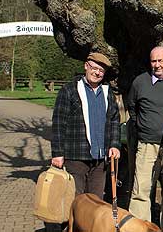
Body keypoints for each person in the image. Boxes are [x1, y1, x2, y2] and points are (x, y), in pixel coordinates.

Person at [48, 52, 120, 232]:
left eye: (101, 71)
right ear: (86, 66)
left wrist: (114, 144)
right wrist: (57, 153)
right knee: (75, 202)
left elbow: (114, 121)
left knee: (95, 204)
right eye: (94, 68)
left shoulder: (106, 92)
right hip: (75, 155)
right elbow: (58, 122)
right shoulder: (70, 90)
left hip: (100, 158)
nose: (97, 73)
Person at [127, 46, 163, 230]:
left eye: (161, 61)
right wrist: (144, 127)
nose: (157, 65)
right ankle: (139, 228)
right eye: (154, 61)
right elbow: (132, 108)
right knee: (141, 189)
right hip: (147, 145)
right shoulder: (140, 82)